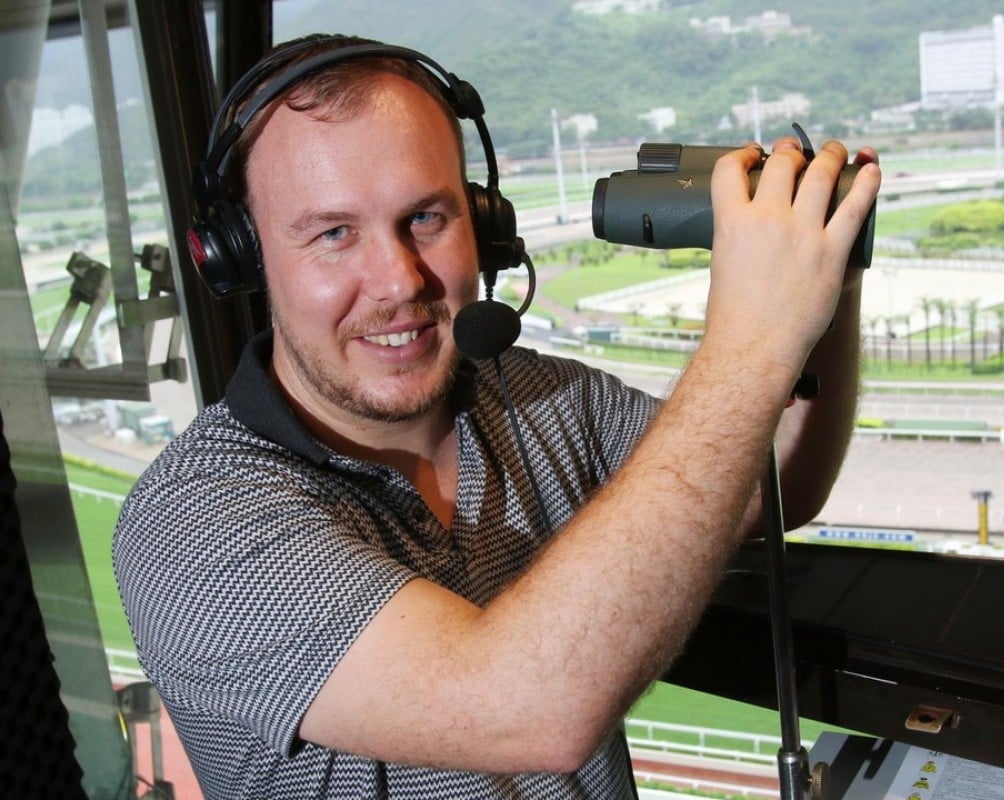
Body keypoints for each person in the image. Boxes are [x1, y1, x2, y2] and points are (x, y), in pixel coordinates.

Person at [113, 33, 881, 799]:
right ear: (240, 257)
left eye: (425, 218)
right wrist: (750, 341)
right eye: (333, 234)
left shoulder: (534, 397)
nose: (397, 281)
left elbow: (763, 481)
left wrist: (827, 276)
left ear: (483, 223)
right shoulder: (191, 522)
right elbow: (524, 711)